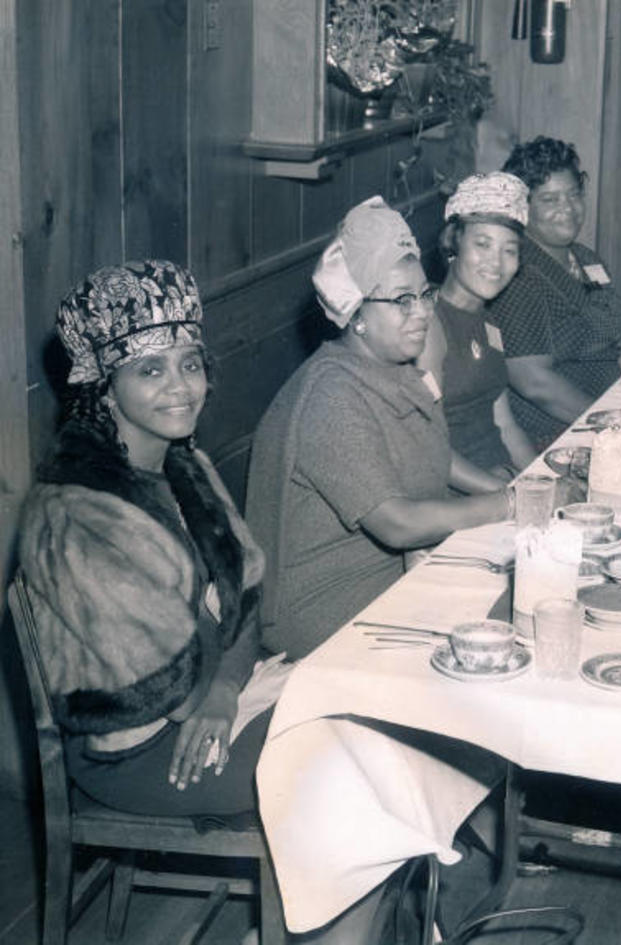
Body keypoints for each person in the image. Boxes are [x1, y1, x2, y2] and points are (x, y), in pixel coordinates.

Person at [18, 260, 276, 819]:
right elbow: (170, 691)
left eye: (190, 364)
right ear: (106, 389)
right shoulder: (79, 513)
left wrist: (224, 690)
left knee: (369, 723)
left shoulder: (188, 467)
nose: (181, 387)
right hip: (139, 751)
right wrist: (219, 669)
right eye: (151, 370)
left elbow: (249, 601)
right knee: (335, 764)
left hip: (220, 699)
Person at [246, 196, 511, 660]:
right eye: (401, 300)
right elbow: (397, 524)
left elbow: (429, 453)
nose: (422, 312)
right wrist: (508, 505)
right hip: (332, 613)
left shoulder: (395, 368)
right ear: (356, 314)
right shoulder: (330, 394)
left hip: (399, 576)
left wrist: (507, 489)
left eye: (424, 294)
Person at [489, 136, 621, 449]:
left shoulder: (587, 259)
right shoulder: (518, 275)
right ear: (522, 209)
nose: (567, 208)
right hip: (558, 436)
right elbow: (533, 381)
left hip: (612, 417)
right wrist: (610, 422)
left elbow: (615, 343)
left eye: (573, 194)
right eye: (550, 200)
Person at [417, 171, 538, 490]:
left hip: (502, 478)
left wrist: (543, 481)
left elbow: (505, 425)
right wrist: (508, 494)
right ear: (453, 242)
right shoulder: (427, 324)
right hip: (457, 494)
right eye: (483, 244)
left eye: (509, 250)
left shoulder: (489, 322)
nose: (496, 263)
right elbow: (426, 448)